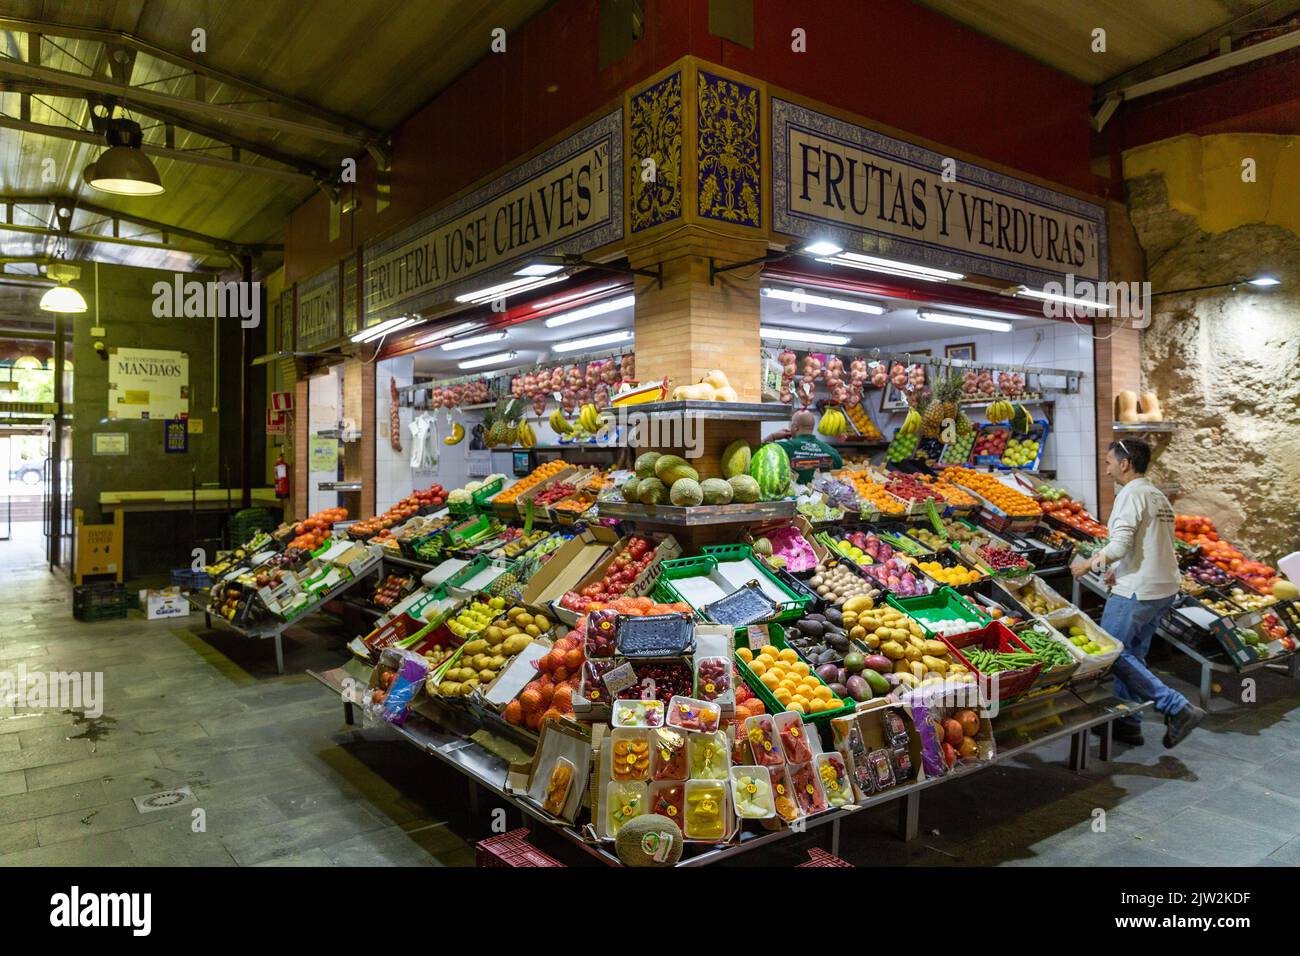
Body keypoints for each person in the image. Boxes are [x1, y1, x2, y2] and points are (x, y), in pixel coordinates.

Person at [1071, 439, 1205, 748]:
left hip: (1138, 591)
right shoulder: (1157, 496)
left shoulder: (1130, 495)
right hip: (1164, 587)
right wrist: (1116, 569)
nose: (1106, 471)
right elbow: (1149, 544)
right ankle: (1128, 723)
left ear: (1125, 463)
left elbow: (1119, 545)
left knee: (1111, 652)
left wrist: (1088, 565)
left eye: (1108, 463)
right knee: (1134, 652)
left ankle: (1176, 707)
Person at [769, 409, 842, 484]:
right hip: (820, 494)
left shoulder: (784, 447)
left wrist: (773, 436)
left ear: (795, 427)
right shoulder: (831, 452)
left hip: (793, 494)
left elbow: (759, 450)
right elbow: (839, 465)